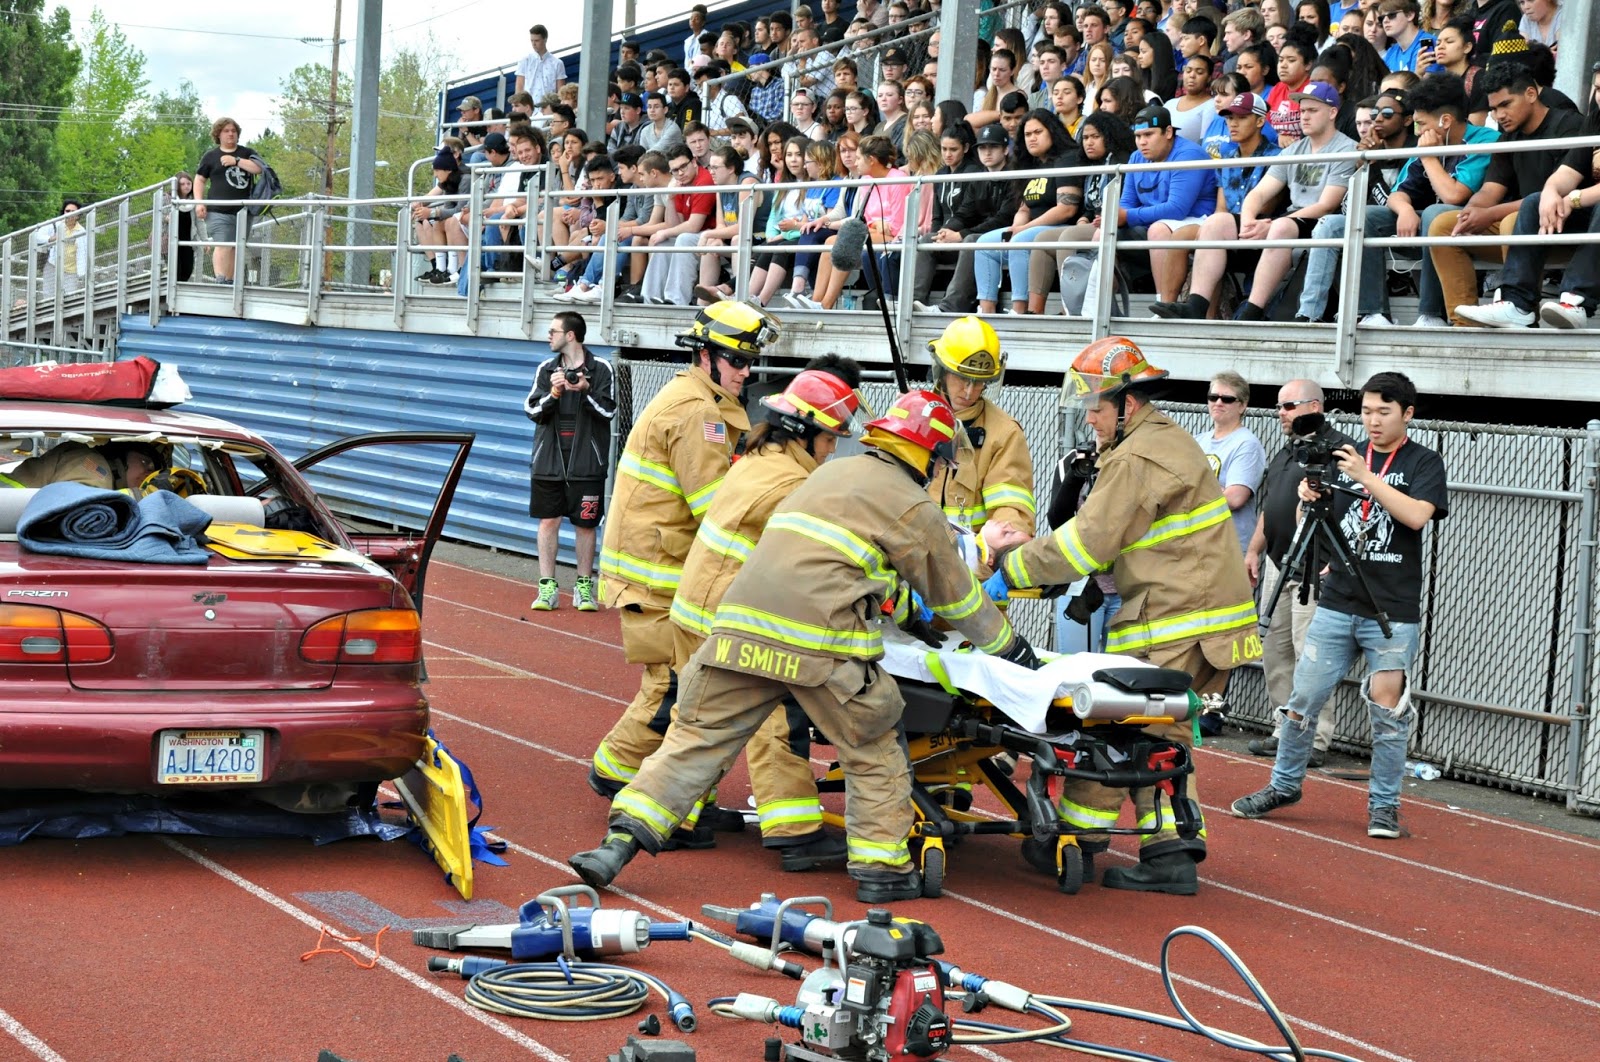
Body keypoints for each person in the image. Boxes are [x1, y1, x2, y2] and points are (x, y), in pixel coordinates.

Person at [570, 389, 1039, 903]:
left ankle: (616, 845)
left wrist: (905, 614)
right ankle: (881, 869)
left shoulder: (827, 476)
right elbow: (956, 595)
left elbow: (845, 564)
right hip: (820, 645)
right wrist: (1010, 648)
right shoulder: (913, 504)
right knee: (874, 745)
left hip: (740, 630)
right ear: (928, 456)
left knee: (693, 743)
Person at [984, 337, 1261, 894]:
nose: (1089, 419)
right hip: (1203, 622)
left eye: (1096, 407)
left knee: (1114, 723)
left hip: (1175, 622)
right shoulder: (1160, 442)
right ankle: (1171, 853)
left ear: (1127, 405)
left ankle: (1072, 840)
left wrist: (1008, 571)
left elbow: (1087, 543)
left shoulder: (1138, 457)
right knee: (1161, 736)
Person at [1232, 372, 1448, 840]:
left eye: (1383, 412)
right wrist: (1309, 500)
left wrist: (1366, 477)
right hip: (1337, 599)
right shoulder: (1343, 457)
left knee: (1387, 710)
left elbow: (1415, 516)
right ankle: (1284, 784)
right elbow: (1303, 520)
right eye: (1367, 411)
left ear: (1407, 414)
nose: (1372, 421)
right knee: (1301, 700)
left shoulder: (1423, 461)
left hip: (1391, 609)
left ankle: (1385, 806)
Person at [666, 360, 864, 871]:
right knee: (775, 716)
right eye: (829, 439)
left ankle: (679, 817)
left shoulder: (761, 456)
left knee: (700, 720)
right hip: (731, 613)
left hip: (698, 603)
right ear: (805, 432)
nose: (833, 449)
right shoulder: (790, 485)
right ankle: (795, 831)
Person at [589, 301, 777, 835]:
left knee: (677, 689)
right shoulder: (698, 414)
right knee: (679, 692)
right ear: (704, 355)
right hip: (662, 577)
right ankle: (640, 787)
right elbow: (720, 508)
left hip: (660, 570)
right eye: (736, 360)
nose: (746, 372)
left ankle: (647, 786)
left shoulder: (699, 400)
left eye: (750, 362)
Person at [1152, 81, 1355, 321]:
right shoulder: (1293, 150)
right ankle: (1196, 304)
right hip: (1289, 222)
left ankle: (1253, 310)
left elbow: (1326, 205)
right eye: (1302, 111)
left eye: (1313, 111)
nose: (1305, 117)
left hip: (1320, 223)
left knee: (1280, 226)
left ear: (1332, 113)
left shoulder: (1346, 148)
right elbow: (1258, 194)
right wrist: (1248, 222)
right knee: (1217, 222)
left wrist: (1269, 226)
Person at [1245, 379, 1358, 767]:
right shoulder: (1288, 450)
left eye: (1288, 406)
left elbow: (1351, 507)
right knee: (1276, 650)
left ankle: (1314, 737)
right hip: (1279, 561)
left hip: (1314, 563)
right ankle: (1284, 729)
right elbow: (1270, 504)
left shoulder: (1339, 448)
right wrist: (1254, 549)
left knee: (1310, 652)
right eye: (1279, 406)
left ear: (1313, 406)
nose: (1281, 414)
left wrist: (1335, 558)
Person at [1427, 62, 1583, 327]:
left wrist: (1489, 214)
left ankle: (1522, 315)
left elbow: (1551, 195)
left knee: (1515, 220)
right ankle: (1465, 324)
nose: (1499, 115)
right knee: (1443, 226)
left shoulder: (1568, 124)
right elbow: (1491, 189)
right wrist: (1472, 211)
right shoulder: (1508, 137)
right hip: (1525, 226)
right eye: (1493, 109)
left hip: (1567, 223)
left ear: (1531, 95)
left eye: (1506, 105)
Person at [1451, 96, 1600, 329]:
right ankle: (1517, 304)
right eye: (1598, 88)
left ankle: (1576, 301)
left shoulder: (1567, 123)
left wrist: (1574, 198)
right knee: (1533, 202)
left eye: (1505, 104)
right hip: (1591, 214)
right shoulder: (1596, 120)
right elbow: (1569, 171)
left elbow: (1577, 194)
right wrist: (1551, 190)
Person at [524, 312, 616, 611]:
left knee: (585, 525)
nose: (549, 336)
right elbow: (532, 411)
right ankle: (547, 588)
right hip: (549, 462)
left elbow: (609, 413)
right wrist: (554, 392)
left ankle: (583, 588)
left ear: (570, 335)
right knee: (548, 521)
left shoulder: (601, 368)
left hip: (587, 464)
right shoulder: (546, 369)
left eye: (553, 331)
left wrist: (585, 390)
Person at [925, 317, 1036, 539]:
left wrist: (989, 552)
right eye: (961, 378)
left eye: (979, 382)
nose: (969, 391)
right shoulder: (914, 416)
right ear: (942, 370)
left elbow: (1011, 513)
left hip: (972, 565)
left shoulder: (1005, 433)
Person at [1195, 371, 1267, 555]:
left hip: (1229, 548)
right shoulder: (1197, 440)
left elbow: (1234, 498)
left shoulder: (1246, 444)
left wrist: (1193, 489)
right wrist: (1215, 490)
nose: (1218, 403)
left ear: (1242, 406)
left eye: (1227, 399)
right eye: (1213, 397)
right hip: (1197, 543)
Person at [639, 144, 716, 306]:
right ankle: (649, 299)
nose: (680, 173)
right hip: (695, 235)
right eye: (675, 170)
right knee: (664, 242)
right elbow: (676, 224)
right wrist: (671, 197)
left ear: (694, 162)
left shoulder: (704, 180)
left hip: (712, 236)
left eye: (683, 167)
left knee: (683, 239)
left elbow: (694, 225)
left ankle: (676, 300)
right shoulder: (679, 184)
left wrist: (665, 232)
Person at [194, 116, 264, 284]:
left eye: (233, 131)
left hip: (243, 211)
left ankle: (230, 281)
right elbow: (199, 179)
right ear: (218, 134)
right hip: (218, 210)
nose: (231, 134)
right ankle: (220, 279)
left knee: (235, 247)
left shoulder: (247, 153)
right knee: (223, 243)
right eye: (226, 131)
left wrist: (237, 161)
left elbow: (260, 169)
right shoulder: (210, 156)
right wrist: (199, 202)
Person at [33, 197, 88, 300]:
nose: (70, 214)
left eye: (73, 211)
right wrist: (50, 238)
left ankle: (65, 316)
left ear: (78, 215)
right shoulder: (55, 224)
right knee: (49, 296)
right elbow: (36, 236)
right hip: (53, 266)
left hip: (71, 271)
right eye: (67, 211)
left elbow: (84, 253)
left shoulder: (82, 231)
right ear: (63, 212)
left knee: (70, 298)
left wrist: (83, 272)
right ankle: (49, 315)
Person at [516, 24, 568, 100]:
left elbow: (561, 91)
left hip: (549, 107)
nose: (533, 44)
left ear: (545, 39)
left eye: (537, 40)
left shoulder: (557, 63)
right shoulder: (524, 61)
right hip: (528, 108)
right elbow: (519, 87)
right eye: (532, 40)